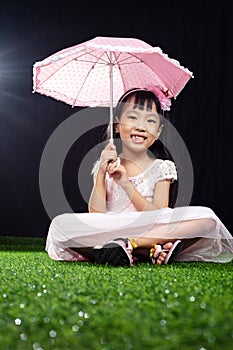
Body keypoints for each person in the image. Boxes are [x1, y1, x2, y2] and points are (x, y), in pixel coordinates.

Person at [45, 87, 233, 266]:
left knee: (208, 220)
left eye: (150, 121)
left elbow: (158, 214)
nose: (141, 127)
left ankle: (132, 245)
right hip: (110, 229)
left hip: (150, 229)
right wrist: (102, 171)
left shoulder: (162, 167)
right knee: (60, 225)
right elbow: (96, 215)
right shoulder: (105, 166)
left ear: (158, 132)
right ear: (117, 126)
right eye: (133, 117)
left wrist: (126, 184)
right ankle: (145, 252)